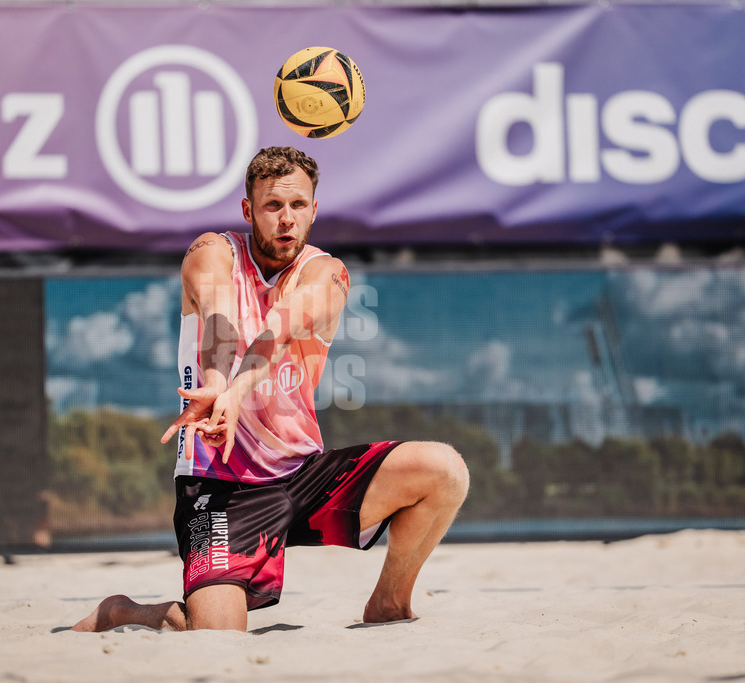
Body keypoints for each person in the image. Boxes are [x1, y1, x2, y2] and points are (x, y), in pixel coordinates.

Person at [71, 146, 469, 632]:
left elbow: (277, 332)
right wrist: (216, 382)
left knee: (444, 470)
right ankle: (121, 612)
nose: (286, 219)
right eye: (272, 206)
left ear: (314, 210)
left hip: (304, 476)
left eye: (298, 206)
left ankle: (389, 600)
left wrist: (235, 392)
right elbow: (218, 314)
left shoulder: (328, 274)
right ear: (248, 210)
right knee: (215, 633)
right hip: (221, 485)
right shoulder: (211, 252)